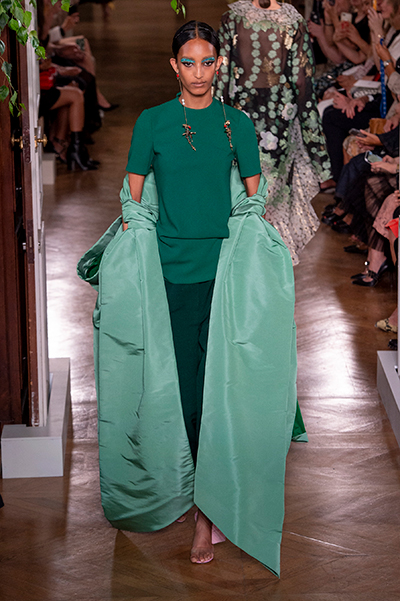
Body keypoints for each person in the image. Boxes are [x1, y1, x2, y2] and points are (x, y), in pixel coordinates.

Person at [78, 20, 306, 576]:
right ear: (174, 66)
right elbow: (134, 196)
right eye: (189, 62)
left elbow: (253, 197)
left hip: (224, 276)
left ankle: (207, 512)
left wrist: (258, 252)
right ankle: (184, 489)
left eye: (207, 62)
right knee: (182, 394)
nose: (198, 72)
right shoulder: (153, 121)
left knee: (218, 393)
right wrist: (131, 248)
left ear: (218, 65)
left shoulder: (237, 124)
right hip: (169, 275)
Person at [216, 0, 332, 264]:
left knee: (242, 191)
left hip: (241, 117)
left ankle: (242, 258)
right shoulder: (293, 21)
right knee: (273, 197)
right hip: (279, 122)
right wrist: (316, 147)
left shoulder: (233, 18)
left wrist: (215, 124)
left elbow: (221, 78)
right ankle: (270, 261)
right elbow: (302, 83)